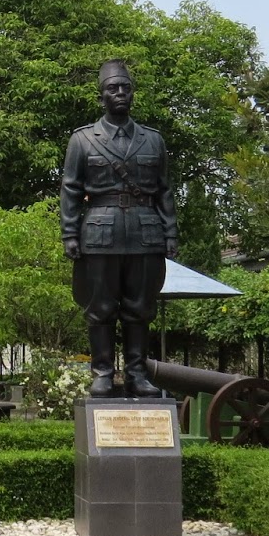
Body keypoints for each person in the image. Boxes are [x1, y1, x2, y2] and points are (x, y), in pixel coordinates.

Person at [60, 59, 178, 396]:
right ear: (102, 97)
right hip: (99, 233)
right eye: (113, 88)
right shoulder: (83, 141)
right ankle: (103, 374)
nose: (121, 93)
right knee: (100, 309)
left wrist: (170, 233)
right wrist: (70, 233)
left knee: (140, 309)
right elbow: (70, 188)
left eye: (126, 87)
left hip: (145, 233)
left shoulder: (153, 140)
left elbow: (164, 190)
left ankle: (137, 374)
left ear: (133, 94)